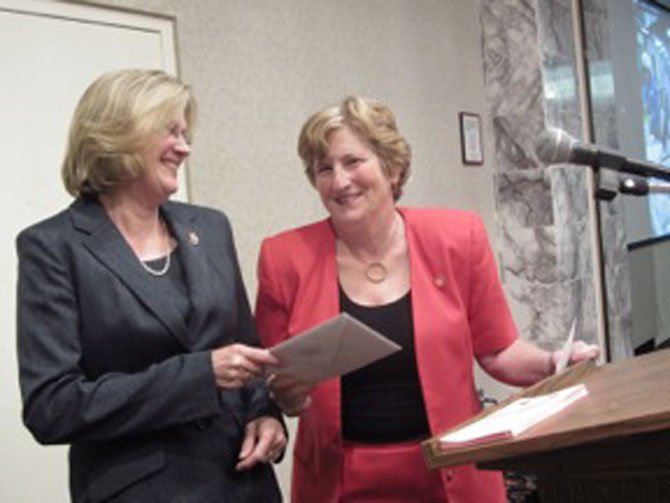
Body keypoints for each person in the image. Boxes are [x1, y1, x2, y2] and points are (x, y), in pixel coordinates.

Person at [254, 96, 599, 502]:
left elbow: (498, 352)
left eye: (352, 162)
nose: (339, 180)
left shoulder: (457, 237)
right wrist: (283, 397)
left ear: (392, 167)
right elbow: (268, 378)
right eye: (323, 168)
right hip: (339, 483)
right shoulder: (284, 258)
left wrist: (553, 364)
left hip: (452, 470)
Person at [16, 68, 285, 503]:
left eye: (185, 132)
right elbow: (52, 407)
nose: (184, 146)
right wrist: (199, 376)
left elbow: (244, 351)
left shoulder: (211, 228)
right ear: (118, 134)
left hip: (243, 483)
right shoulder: (52, 247)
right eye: (170, 131)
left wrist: (265, 414)